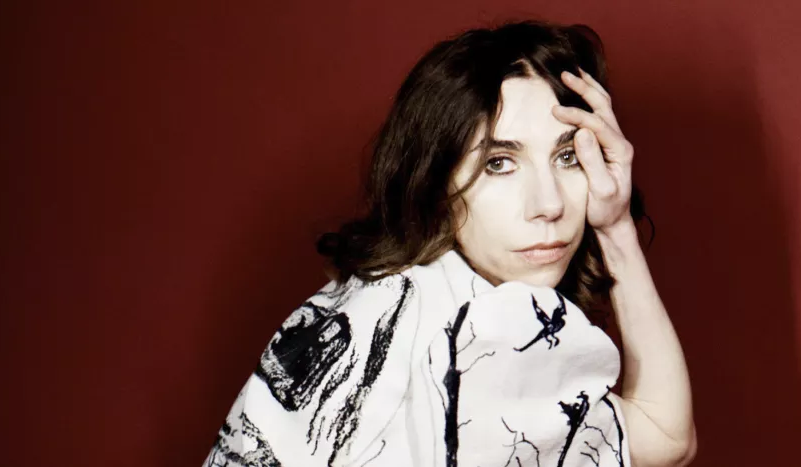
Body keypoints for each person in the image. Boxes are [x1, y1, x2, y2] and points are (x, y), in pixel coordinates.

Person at [204, 20, 695, 467]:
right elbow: (669, 438)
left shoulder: (372, 295)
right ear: (434, 181)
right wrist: (616, 230)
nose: (548, 205)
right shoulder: (489, 333)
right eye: (499, 162)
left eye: (567, 156)